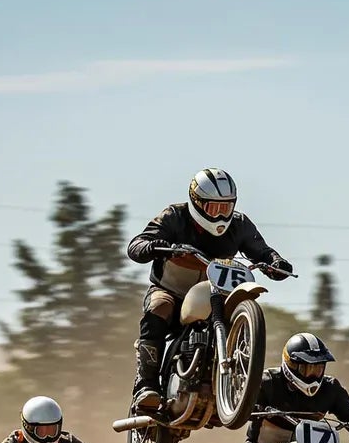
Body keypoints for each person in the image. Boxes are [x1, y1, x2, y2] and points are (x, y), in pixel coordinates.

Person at [125, 169, 294, 413]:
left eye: (225, 208)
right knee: (159, 306)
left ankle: (236, 381)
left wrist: (275, 262)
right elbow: (136, 245)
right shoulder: (174, 216)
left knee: (238, 310)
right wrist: (154, 246)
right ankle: (146, 385)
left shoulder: (240, 225)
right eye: (213, 208)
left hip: (218, 293)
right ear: (196, 202)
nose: (220, 215)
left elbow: (262, 249)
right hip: (172, 291)